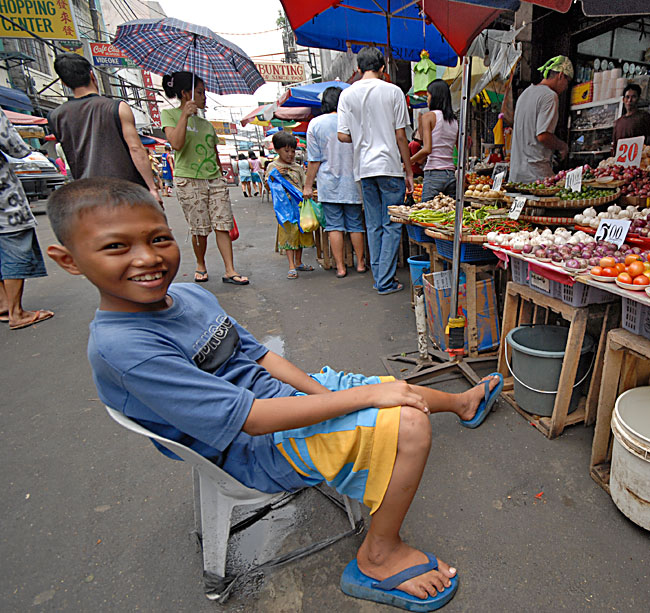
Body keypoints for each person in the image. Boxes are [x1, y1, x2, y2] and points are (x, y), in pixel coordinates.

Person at [44, 177, 504, 611]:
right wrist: (359, 401)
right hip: (247, 447)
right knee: (408, 423)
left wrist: (322, 389)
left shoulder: (189, 297)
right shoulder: (124, 347)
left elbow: (261, 356)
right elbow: (251, 420)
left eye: (159, 239)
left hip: (274, 403)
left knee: (391, 389)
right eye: (115, 247)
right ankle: (377, 558)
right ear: (68, 259)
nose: (147, 258)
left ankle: (463, 403)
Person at [337, 46, 413, 296]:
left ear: (358, 68)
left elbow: (342, 135)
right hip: (389, 167)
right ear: (383, 68)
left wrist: (362, 136)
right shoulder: (394, 92)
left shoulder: (346, 95)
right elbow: (401, 136)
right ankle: (384, 280)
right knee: (390, 224)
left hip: (364, 169)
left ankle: (381, 276)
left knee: (373, 224)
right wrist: (409, 171)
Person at [161, 71, 248, 286]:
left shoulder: (207, 124)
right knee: (199, 227)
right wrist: (184, 116)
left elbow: (214, 154)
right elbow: (176, 144)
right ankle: (201, 264)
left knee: (222, 224)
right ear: (185, 93)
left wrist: (221, 176)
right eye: (199, 92)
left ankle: (230, 270)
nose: (204, 97)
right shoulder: (169, 115)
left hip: (214, 179)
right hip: (188, 179)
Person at [48, 53, 161, 204]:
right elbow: (136, 148)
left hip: (88, 193)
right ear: (92, 75)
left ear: (64, 82)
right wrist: (152, 188)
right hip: (127, 190)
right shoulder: (117, 107)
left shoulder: (56, 116)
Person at [305, 86, 368, 279]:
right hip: (353, 182)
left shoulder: (315, 124)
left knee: (334, 226)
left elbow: (314, 160)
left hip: (328, 183)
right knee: (356, 225)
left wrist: (308, 185)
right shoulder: (352, 121)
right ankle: (361, 263)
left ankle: (340, 267)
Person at [0, 112, 53, 330]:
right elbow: (16, 148)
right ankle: (16, 312)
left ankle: (3, 305)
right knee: (15, 241)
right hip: (4, 196)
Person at [508, 55, 572, 183]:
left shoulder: (526, 93)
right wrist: (562, 146)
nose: (566, 87)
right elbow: (543, 135)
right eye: (567, 81)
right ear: (560, 75)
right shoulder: (550, 96)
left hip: (516, 175)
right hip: (535, 176)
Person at [265, 132, 315, 279]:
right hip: (284, 210)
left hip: (299, 206)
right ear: (277, 150)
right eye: (286, 151)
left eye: (293, 151)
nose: (290, 154)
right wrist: (274, 176)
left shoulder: (298, 168)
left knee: (300, 233)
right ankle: (291, 266)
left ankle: (299, 262)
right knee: (288, 235)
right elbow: (268, 186)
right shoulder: (273, 166)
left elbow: (304, 184)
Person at [410, 79, 459, 201]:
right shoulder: (454, 121)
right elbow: (458, 150)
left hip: (434, 173)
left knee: (426, 214)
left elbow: (427, 149)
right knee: (448, 214)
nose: (427, 100)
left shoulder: (429, 116)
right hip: (451, 174)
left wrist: (408, 162)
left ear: (435, 96)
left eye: (428, 96)